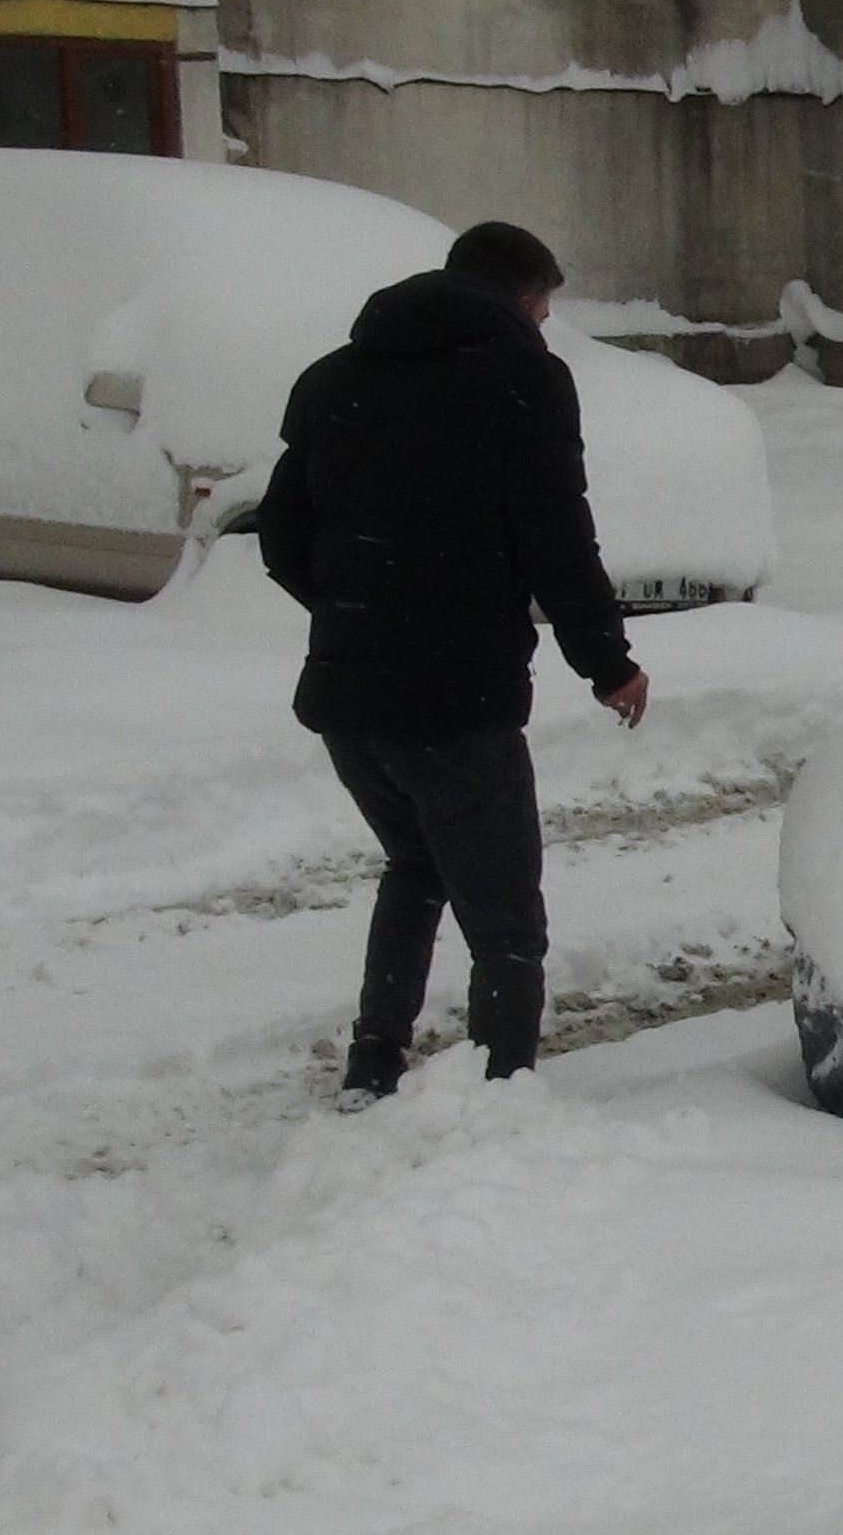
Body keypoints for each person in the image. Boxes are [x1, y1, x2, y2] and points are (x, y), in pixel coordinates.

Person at [255, 221, 651, 1100]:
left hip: (349, 695)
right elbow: (555, 536)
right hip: (457, 694)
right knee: (507, 918)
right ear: (522, 297)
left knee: (417, 866)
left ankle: (374, 1064)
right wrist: (607, 661)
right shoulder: (523, 382)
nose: (547, 324)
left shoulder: (332, 379)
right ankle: (499, 1095)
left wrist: (356, 615)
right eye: (545, 306)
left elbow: (280, 537)